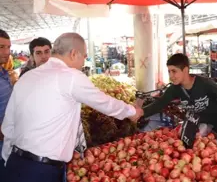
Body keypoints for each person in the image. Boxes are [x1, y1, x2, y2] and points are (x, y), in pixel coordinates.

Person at [1, 33, 143, 182]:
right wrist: (132, 112)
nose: (83, 63)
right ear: (74, 54)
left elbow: (9, 124)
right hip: (41, 171)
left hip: (14, 163)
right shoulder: (71, 76)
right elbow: (104, 102)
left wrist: (6, 160)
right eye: (84, 57)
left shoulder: (26, 78)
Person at [143, 53, 217, 137]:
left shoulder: (205, 83)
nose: (171, 76)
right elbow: (160, 103)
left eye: (174, 71)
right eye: (169, 71)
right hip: (200, 126)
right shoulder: (174, 89)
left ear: (185, 70)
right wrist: (140, 113)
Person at [0, 29, 13, 179]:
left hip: (8, 148)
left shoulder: (5, 75)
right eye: (1, 47)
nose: (7, 52)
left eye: (8, 47)